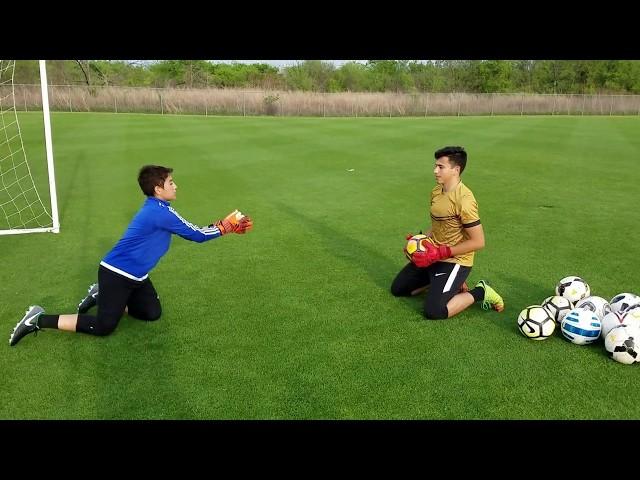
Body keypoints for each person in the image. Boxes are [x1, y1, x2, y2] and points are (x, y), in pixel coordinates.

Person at [9, 165, 253, 346]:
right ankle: (38, 319)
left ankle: (100, 294)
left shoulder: (160, 208)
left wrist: (223, 226)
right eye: (170, 182)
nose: (175, 185)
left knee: (152, 313)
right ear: (158, 189)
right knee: (104, 326)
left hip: (137, 277)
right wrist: (226, 226)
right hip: (116, 274)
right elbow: (197, 235)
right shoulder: (160, 212)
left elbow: (194, 230)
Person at [390, 146, 504, 319]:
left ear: (456, 170)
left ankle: (480, 292)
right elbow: (438, 226)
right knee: (398, 289)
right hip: (432, 256)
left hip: (455, 260)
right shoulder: (437, 191)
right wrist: (419, 242)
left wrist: (441, 252)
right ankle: (444, 283)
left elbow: (478, 242)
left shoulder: (465, 201)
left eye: (441, 167)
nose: (435, 171)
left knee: (434, 311)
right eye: (435, 165)